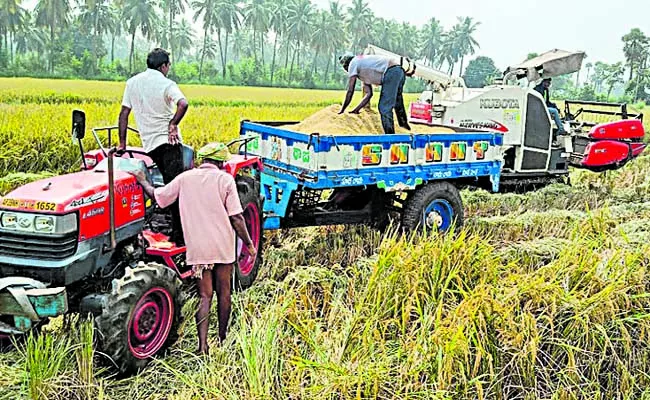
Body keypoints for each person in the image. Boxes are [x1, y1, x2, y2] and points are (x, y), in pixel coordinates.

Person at [129, 142, 257, 354]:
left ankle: (202, 346)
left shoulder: (184, 179)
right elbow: (236, 217)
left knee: (204, 296)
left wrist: (143, 181)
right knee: (224, 292)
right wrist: (250, 245)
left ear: (201, 161)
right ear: (221, 162)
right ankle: (223, 338)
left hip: (198, 247)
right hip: (222, 244)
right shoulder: (225, 179)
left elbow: (159, 198)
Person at [118, 48, 189, 245]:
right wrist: (173, 124)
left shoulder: (132, 83)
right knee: (176, 189)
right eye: (168, 66)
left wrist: (122, 144)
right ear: (164, 66)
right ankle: (179, 237)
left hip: (150, 144)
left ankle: (159, 221)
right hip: (169, 143)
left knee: (166, 183)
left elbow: (124, 113)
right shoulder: (167, 84)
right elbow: (183, 104)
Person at [338, 53, 411, 134]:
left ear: (346, 65)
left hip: (392, 71)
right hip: (399, 71)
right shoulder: (362, 68)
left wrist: (342, 109)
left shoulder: (353, 63)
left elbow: (350, 91)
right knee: (397, 101)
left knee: (384, 107)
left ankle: (390, 136)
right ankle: (404, 127)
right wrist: (356, 110)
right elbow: (369, 94)